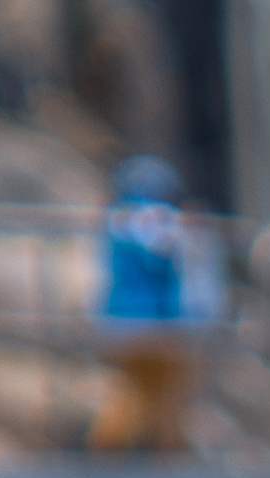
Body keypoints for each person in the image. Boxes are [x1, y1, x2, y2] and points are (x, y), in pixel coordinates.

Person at [93, 157, 208, 457]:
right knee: (159, 391)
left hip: (121, 317)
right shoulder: (150, 218)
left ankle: (125, 448)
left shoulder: (116, 219)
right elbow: (159, 254)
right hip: (154, 321)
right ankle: (139, 450)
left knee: (138, 387)